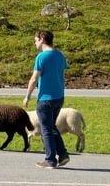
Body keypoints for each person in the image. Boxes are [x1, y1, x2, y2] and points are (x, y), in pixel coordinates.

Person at [23, 30, 69, 169]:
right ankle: (63, 155)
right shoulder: (60, 55)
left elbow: (34, 79)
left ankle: (50, 160)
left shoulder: (41, 57)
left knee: (46, 130)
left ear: (42, 39)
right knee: (51, 126)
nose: (35, 42)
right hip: (59, 97)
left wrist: (27, 96)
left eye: (36, 39)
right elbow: (61, 75)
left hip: (45, 99)